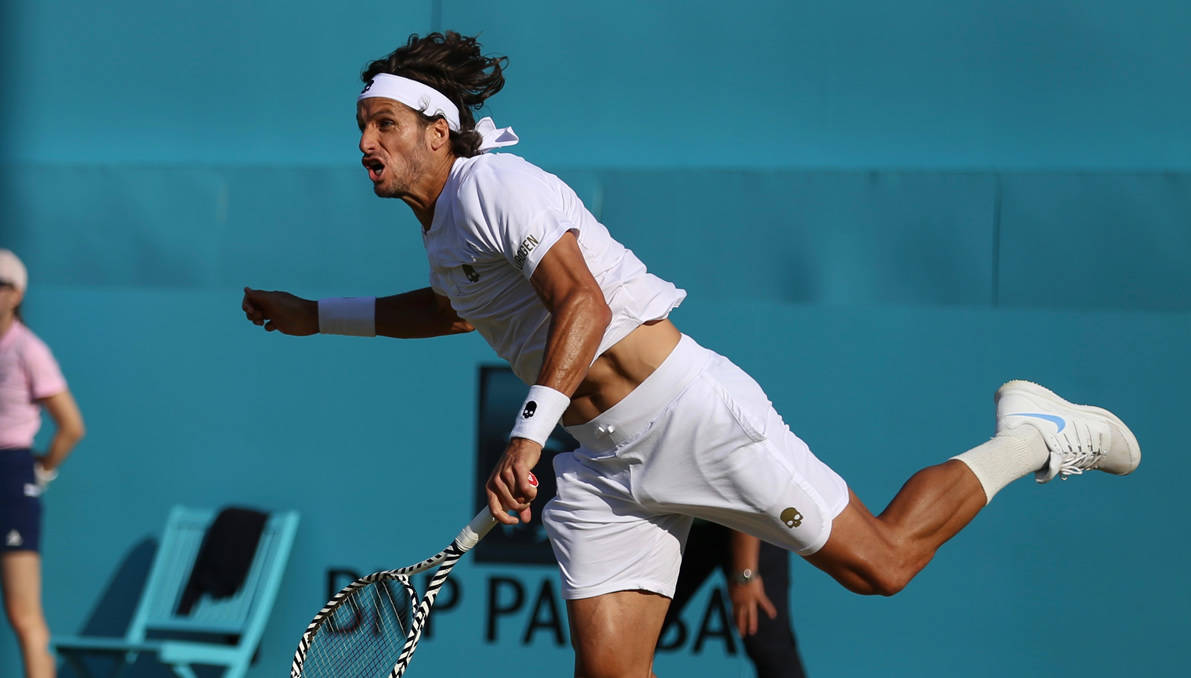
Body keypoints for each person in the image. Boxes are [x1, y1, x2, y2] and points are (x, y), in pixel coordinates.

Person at [240, 32, 1140, 678]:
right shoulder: (443, 233)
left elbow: (581, 301)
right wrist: (313, 314)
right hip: (601, 464)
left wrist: (524, 436)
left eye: (385, 124)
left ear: (439, 130)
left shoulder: (496, 184)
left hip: (687, 413)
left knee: (884, 566)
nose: (366, 144)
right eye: (361, 126)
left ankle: (1032, 434)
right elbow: (446, 311)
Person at [0, 249, 86, 678]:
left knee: (23, 615)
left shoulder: (29, 350)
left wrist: (43, 470)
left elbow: (71, 426)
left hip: (12, 478)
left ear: (14, 294)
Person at [661, 525, 806, 677]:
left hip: (751, 523)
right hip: (681, 520)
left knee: (768, 643)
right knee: (642, 636)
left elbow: (751, 502)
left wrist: (745, 574)